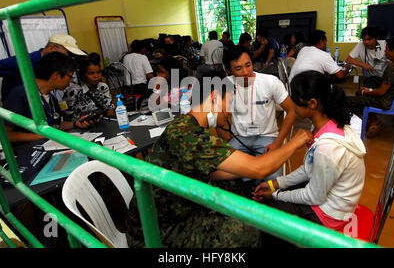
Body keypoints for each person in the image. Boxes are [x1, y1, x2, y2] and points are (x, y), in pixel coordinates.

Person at [125, 71, 313, 248]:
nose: (230, 112)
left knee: (243, 187)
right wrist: (295, 141)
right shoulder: (190, 135)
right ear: (214, 97)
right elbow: (260, 169)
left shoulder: (184, 124)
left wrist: (243, 171)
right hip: (158, 232)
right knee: (257, 230)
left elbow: (213, 173)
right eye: (229, 104)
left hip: (176, 209)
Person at [252, 70, 366, 247]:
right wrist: (277, 184)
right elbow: (308, 168)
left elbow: (314, 197)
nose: (291, 105)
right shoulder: (327, 125)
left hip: (330, 215)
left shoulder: (327, 147)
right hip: (329, 201)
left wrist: (276, 195)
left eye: (295, 100)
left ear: (312, 103)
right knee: (276, 203)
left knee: (268, 220)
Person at [222, 45, 297, 183]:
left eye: (248, 65)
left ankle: (247, 177)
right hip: (239, 138)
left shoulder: (270, 82)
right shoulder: (226, 84)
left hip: (267, 138)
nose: (245, 72)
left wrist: (278, 142)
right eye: (238, 68)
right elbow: (219, 115)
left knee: (272, 179)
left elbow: (292, 110)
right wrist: (221, 132)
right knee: (220, 174)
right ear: (228, 70)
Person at [3, 52, 92, 144]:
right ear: (56, 75)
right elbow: (5, 134)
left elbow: (56, 125)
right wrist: (44, 136)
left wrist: (75, 123)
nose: (71, 81)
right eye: (70, 77)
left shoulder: (51, 97)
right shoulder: (19, 94)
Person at [347, 36, 394, 138]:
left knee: (350, 100)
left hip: (387, 102)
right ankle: (372, 121)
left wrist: (367, 92)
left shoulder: (393, 67)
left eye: (386, 49)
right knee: (370, 84)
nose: (385, 52)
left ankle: (371, 121)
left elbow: (381, 92)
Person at [0, 34, 87, 103]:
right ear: (51, 48)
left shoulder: (53, 65)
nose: (68, 58)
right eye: (67, 54)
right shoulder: (25, 62)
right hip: (19, 110)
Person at [63, 53, 115, 124]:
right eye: (91, 73)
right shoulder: (74, 91)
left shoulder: (103, 87)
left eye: (98, 72)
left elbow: (109, 109)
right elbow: (68, 119)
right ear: (82, 76)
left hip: (102, 124)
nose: (96, 76)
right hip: (81, 129)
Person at [122, 39, 154, 110]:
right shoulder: (143, 57)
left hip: (128, 89)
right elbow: (149, 75)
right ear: (142, 49)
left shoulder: (126, 57)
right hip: (140, 88)